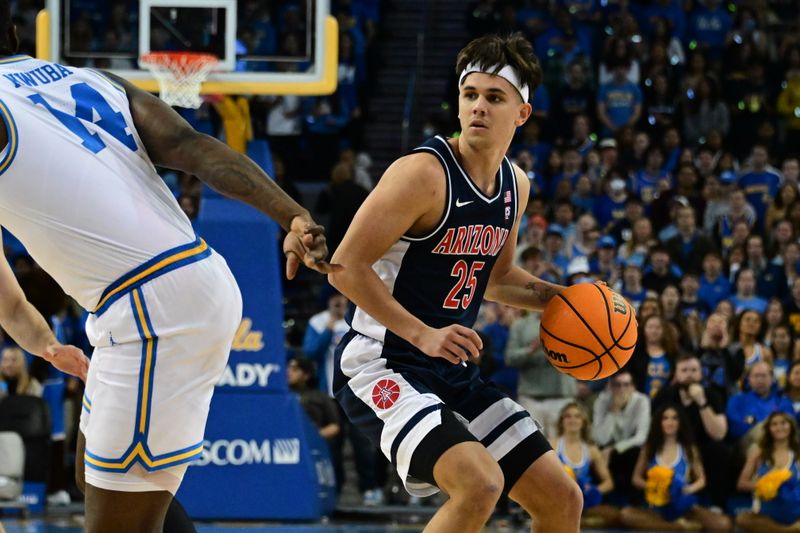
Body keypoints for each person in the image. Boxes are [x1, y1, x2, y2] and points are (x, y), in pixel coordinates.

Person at [0, 5, 337, 531]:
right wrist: (291, 214)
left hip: (152, 308)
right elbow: (191, 146)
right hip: (177, 285)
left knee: (117, 521)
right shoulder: (93, 80)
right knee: (102, 482)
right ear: (16, 32)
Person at [329, 33, 583, 533]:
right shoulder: (422, 174)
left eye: (494, 98)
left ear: (522, 114)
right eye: (470, 95)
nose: (478, 108)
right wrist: (422, 333)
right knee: (478, 483)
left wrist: (560, 301)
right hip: (382, 362)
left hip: (449, 368)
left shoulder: (516, 185)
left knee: (561, 498)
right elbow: (344, 266)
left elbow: (498, 278)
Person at [620, 404, 733, 532]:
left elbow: (701, 479)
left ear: (680, 423)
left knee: (723, 524)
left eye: (674, 418)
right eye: (665, 418)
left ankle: (670, 525)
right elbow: (636, 478)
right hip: (655, 506)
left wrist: (688, 489)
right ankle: (678, 527)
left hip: (682, 506)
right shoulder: (649, 448)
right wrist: (653, 487)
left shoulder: (689, 449)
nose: (670, 422)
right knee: (625, 515)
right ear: (659, 422)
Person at [551, 402, 621, 529]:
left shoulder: (591, 449)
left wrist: (593, 491)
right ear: (561, 421)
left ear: (584, 422)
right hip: (557, 501)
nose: (572, 420)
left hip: (583, 503)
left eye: (577, 416)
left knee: (615, 515)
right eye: (568, 416)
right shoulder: (552, 444)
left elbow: (609, 482)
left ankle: (571, 523)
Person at [592, 370, 651, 505]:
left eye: (626, 385)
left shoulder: (641, 401)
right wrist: (613, 411)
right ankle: (604, 503)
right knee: (598, 453)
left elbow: (641, 437)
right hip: (606, 448)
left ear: (633, 387)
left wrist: (614, 449)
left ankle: (634, 503)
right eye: (617, 385)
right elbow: (600, 438)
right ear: (610, 387)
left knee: (633, 453)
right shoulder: (602, 401)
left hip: (630, 450)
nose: (621, 389)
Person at [736, 412, 800, 532]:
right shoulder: (757, 453)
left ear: (791, 426)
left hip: (794, 509)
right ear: (769, 429)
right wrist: (764, 484)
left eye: (783, 423)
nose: (779, 427)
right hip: (768, 512)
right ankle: (787, 531)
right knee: (742, 519)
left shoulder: (797, 453)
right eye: (774, 424)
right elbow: (742, 484)